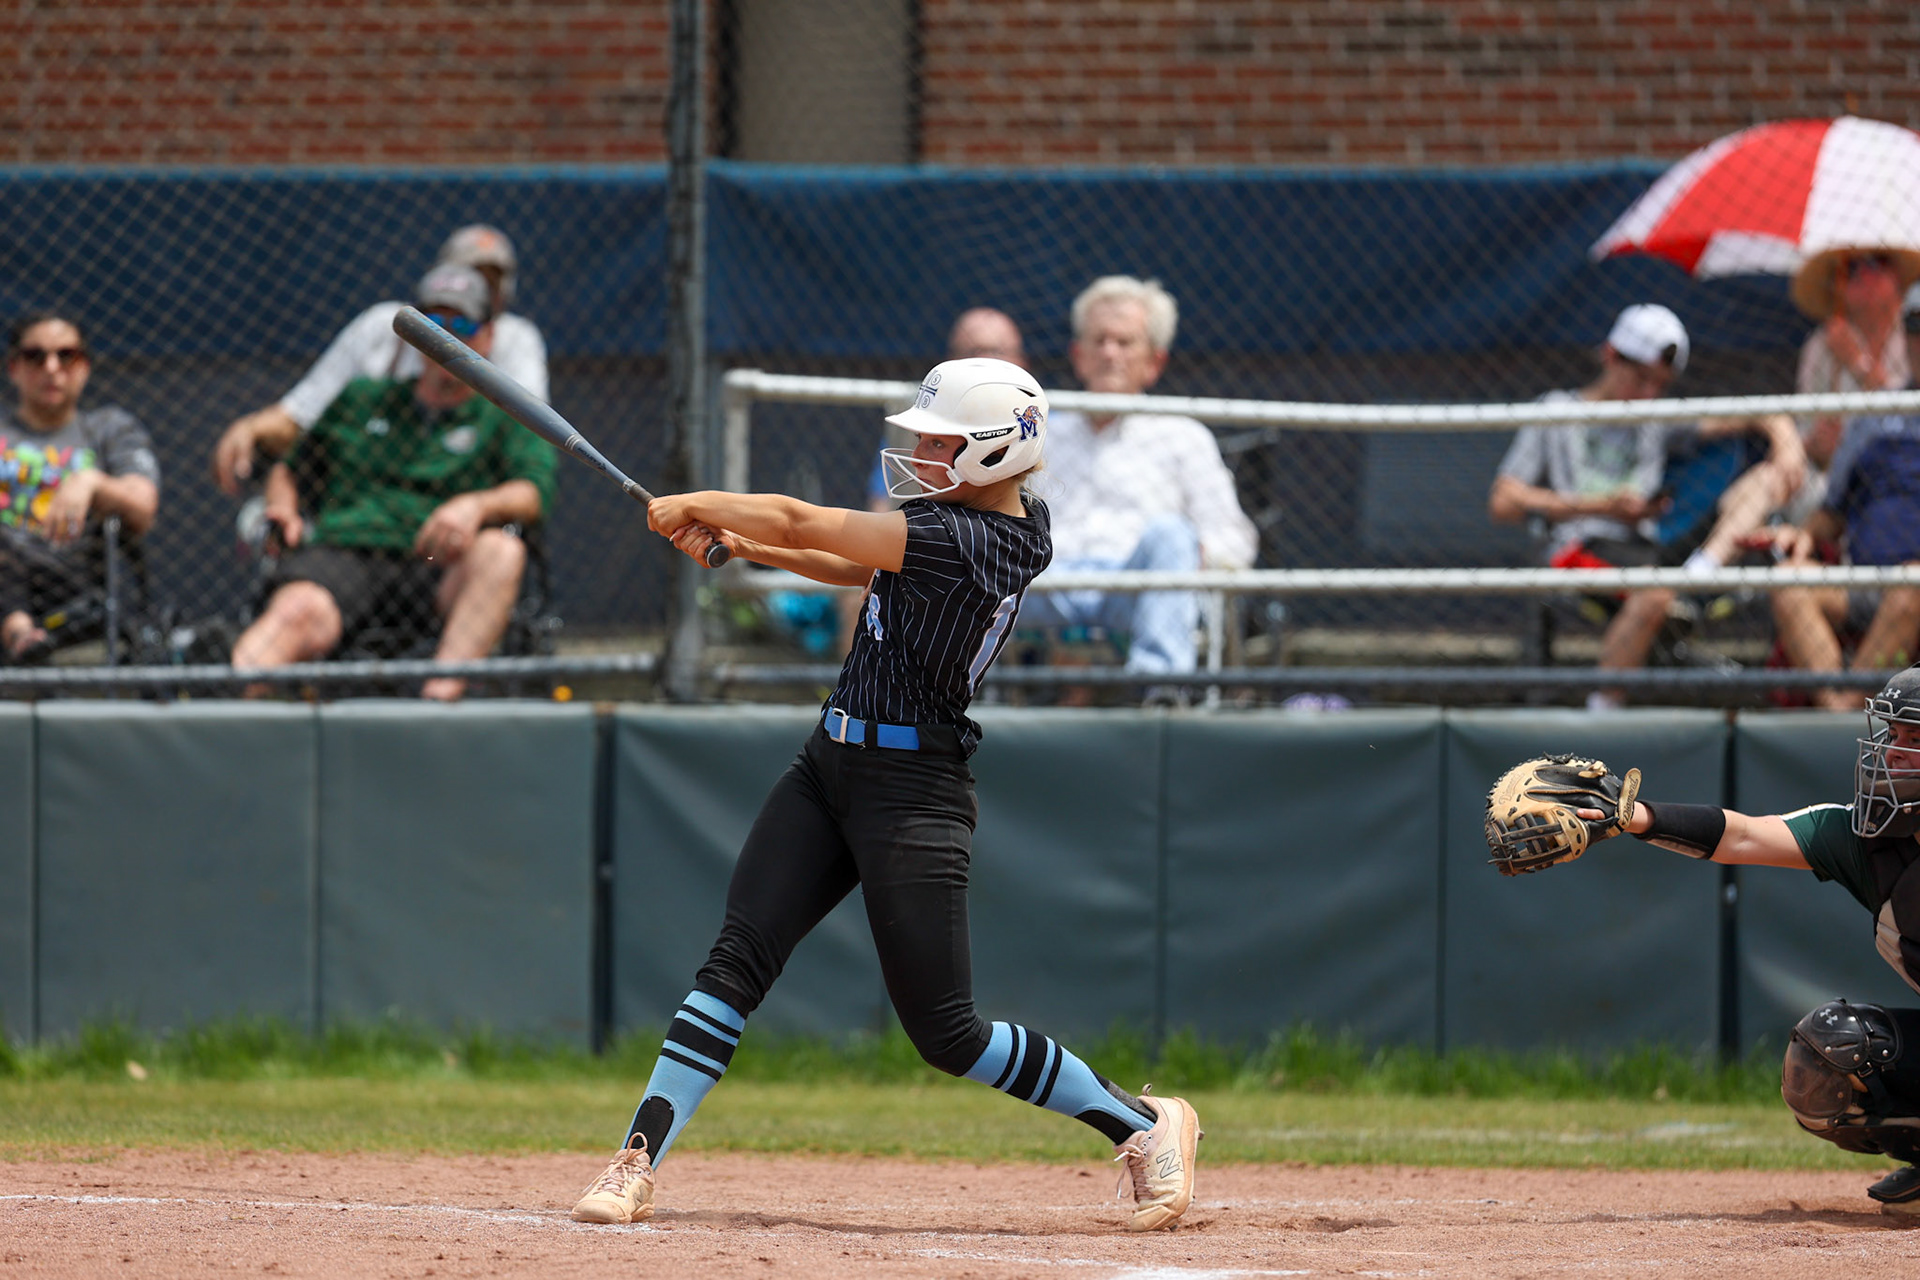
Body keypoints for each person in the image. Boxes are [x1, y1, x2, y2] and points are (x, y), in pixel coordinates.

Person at [570, 357, 1203, 1233]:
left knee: (949, 1036)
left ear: (993, 454)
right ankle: (636, 1159)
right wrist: (745, 546)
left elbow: (810, 518)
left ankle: (1142, 1124)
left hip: (915, 793)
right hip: (827, 767)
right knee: (735, 960)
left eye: (943, 443)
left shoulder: (983, 540)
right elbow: (858, 565)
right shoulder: (959, 522)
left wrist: (700, 502)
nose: (922, 454)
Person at [1562, 665, 1920, 1215]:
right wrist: (1636, 817)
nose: (1894, 754)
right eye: (1892, 735)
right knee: (1834, 1052)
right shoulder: (1863, 840)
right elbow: (1746, 835)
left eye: (1914, 740)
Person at [227, 263, 557, 701]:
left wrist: (475, 507)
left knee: (502, 551)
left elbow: (533, 490)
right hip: (346, 556)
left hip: (438, 563)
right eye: (433, 324)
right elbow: (291, 468)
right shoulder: (363, 398)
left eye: (462, 324)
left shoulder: (506, 413)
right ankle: (225, 720)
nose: (447, 336)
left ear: (489, 336)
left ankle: (435, 710)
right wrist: (282, 508)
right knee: (294, 611)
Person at [1487, 303, 1806, 709]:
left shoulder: (1655, 413)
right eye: (1640, 379)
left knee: (1764, 480)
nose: (1648, 394)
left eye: (1660, 385)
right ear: (1610, 355)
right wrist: (1601, 506)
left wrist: (1786, 439)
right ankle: (1601, 713)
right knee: (1654, 591)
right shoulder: (1557, 411)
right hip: (1584, 546)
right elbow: (1503, 501)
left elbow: (1757, 413)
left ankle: (1700, 572)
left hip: (1652, 546)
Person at [1013, 276, 1255, 689]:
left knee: (1172, 533)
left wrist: (1192, 553)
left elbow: (1236, 539)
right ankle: (950, 704)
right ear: (1078, 355)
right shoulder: (1037, 434)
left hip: (1138, 589)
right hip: (1047, 582)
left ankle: (1159, 698)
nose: (1110, 353)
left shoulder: (1184, 435)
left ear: (1154, 362)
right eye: (1099, 340)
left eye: (1125, 343)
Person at [212, 224, 548, 496]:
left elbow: (529, 444)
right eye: (465, 272)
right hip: (371, 486)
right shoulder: (388, 324)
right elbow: (302, 413)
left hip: (460, 491)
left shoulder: (515, 338)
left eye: (489, 281)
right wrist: (252, 428)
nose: (470, 288)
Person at [0, 312, 161, 664]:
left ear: (84, 367)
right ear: (14, 368)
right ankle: (20, 633)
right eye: (35, 356)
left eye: (66, 356)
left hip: (74, 578)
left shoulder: (108, 430)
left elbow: (144, 505)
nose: (52, 368)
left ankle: (23, 636)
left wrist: (91, 482)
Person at [1770, 413, 1920, 711]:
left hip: (1913, 583)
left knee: (1911, 581)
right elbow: (1831, 513)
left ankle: (1853, 711)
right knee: (1788, 580)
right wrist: (1803, 535)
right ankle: (1836, 712)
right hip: (1862, 578)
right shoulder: (1873, 417)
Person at [1783, 247, 1920, 525]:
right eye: (1851, 268)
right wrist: (1815, 444)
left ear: (1898, 278)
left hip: (1901, 465)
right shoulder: (1820, 346)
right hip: (1829, 478)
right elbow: (1803, 428)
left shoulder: (1914, 332)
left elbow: (1906, 408)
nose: (1862, 274)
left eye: (1875, 262)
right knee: (1779, 479)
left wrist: (1857, 363)